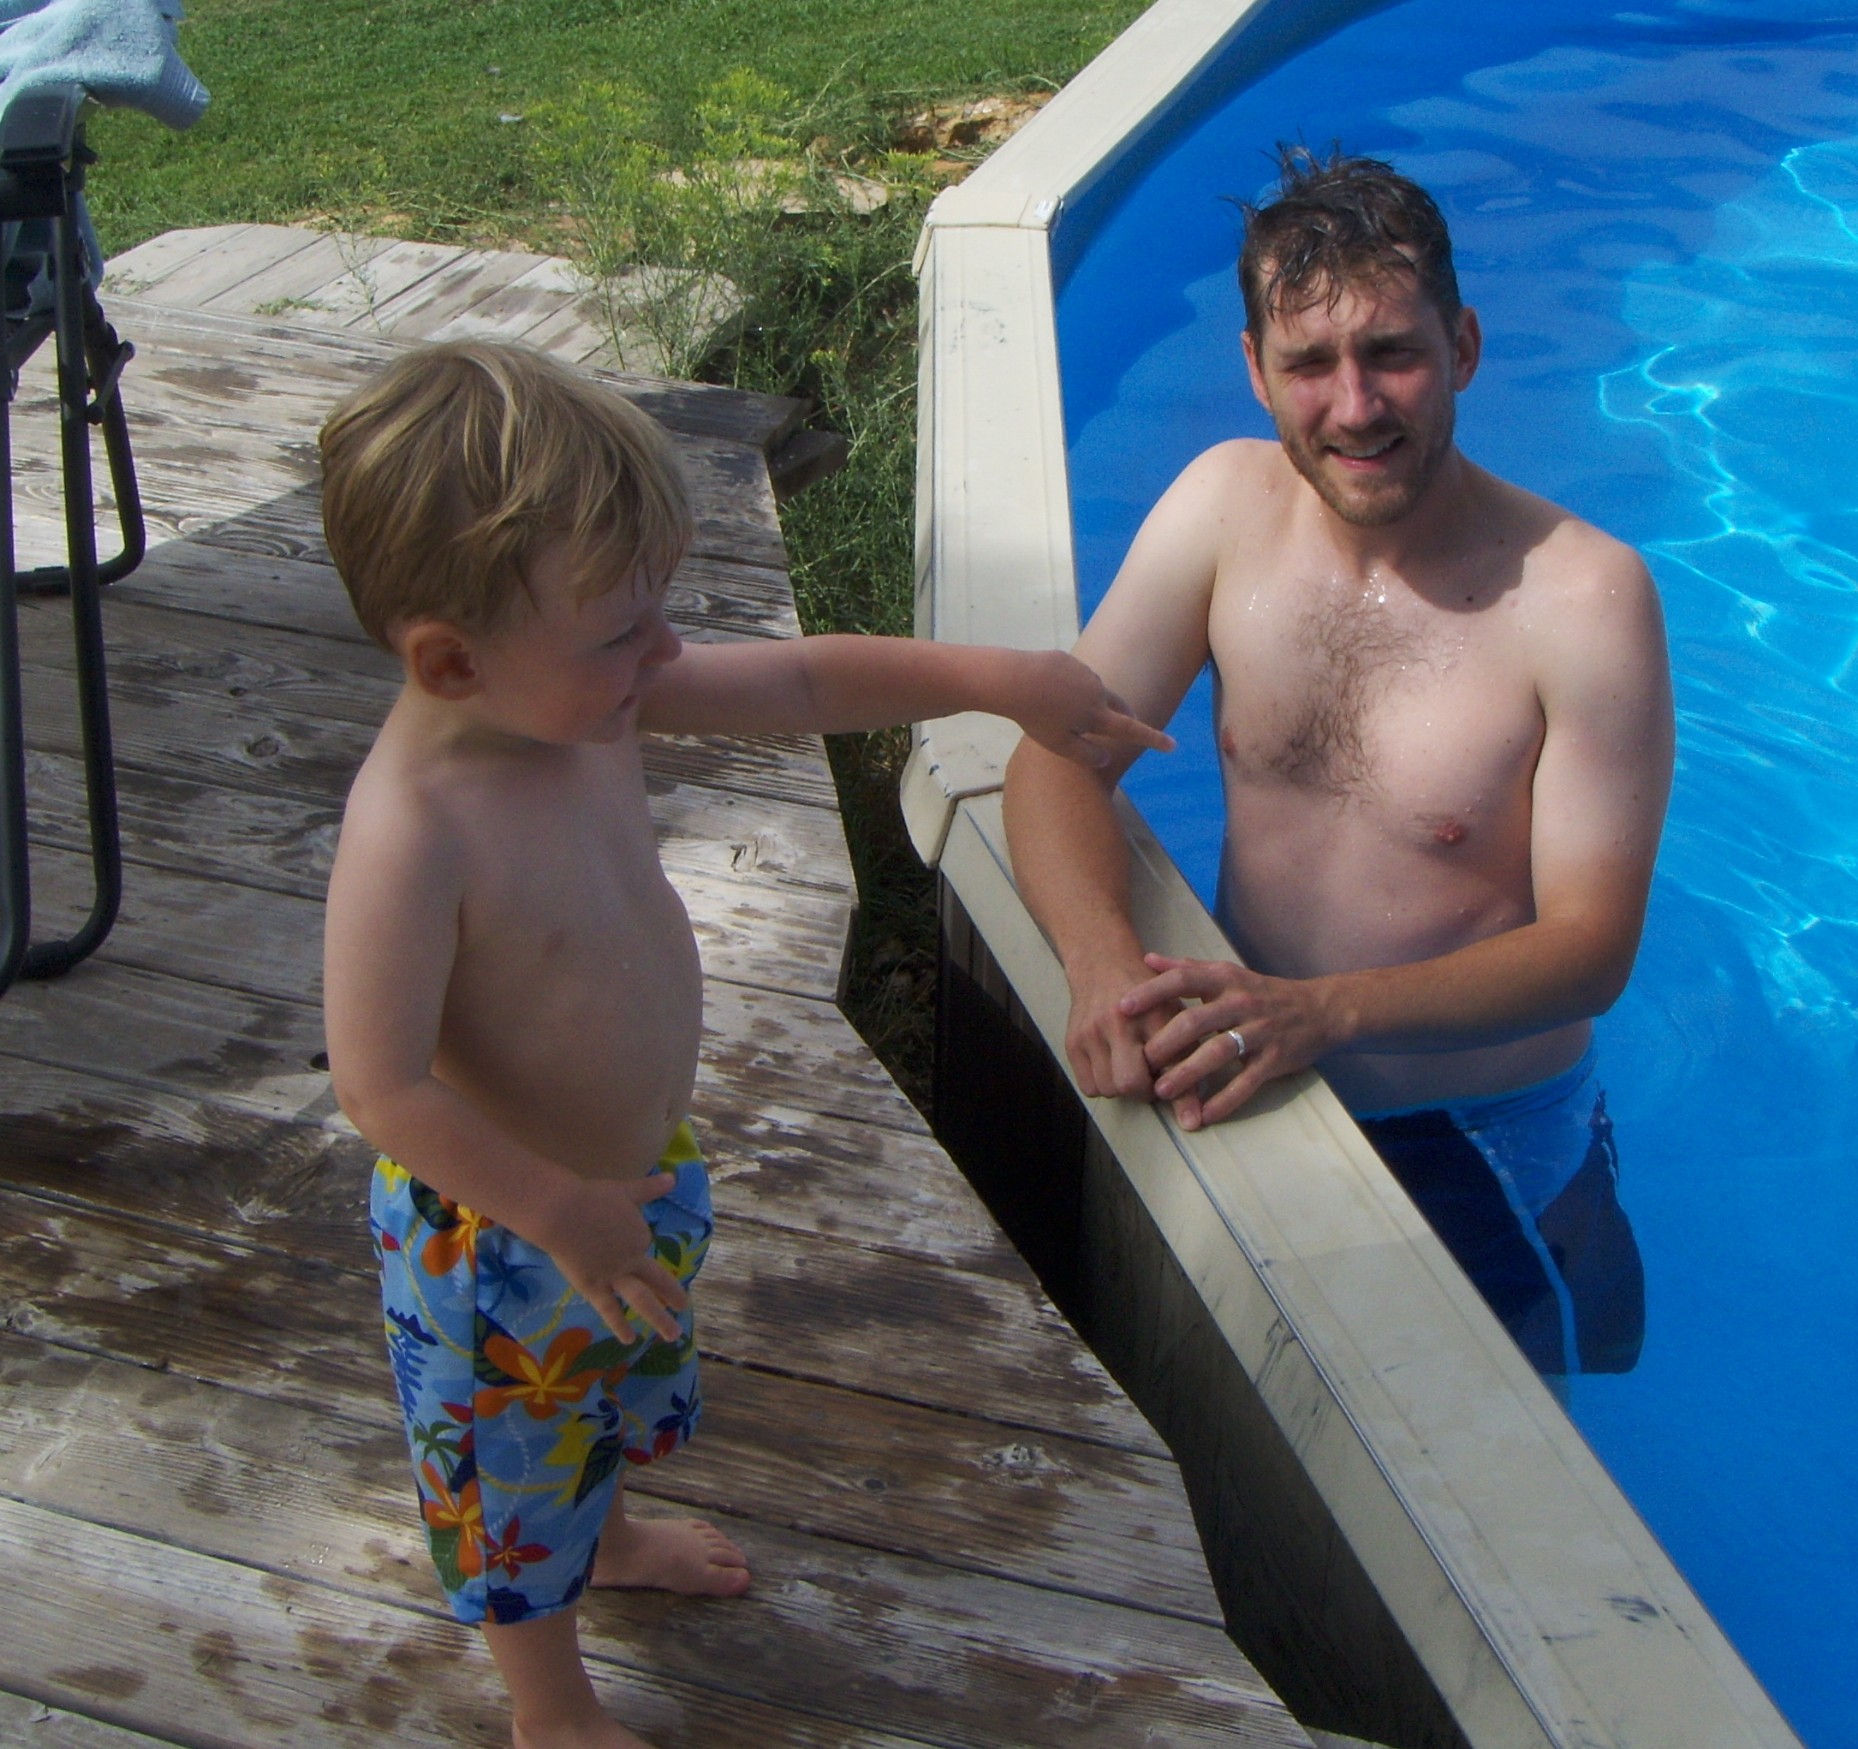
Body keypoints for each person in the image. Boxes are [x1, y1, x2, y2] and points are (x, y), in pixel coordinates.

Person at [318, 339, 1170, 1749]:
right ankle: (550, 1707)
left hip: (627, 1183)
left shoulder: (579, 699)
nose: (663, 654)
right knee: (512, 1481)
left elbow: (799, 686)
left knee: (603, 1408)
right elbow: (379, 1084)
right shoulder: (412, 834)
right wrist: (558, 1211)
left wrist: (1000, 678)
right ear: (451, 660)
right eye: (622, 634)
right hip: (508, 1240)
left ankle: (612, 1534)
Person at [1002, 148, 1673, 1377]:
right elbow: (1056, 759)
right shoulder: (1223, 510)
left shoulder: (1582, 598)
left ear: (1463, 347)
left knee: (1537, 1401)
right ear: (1254, 369)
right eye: (1310, 363)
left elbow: (1592, 951)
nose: (1355, 407)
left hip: (1474, 1128)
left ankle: (1589, 1239)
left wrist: (1322, 1011)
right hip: (1264, 1078)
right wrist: (1098, 962)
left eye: (1391, 353)